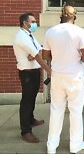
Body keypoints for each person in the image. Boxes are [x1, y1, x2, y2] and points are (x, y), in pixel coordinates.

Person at [43, 6, 84, 153]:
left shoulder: (50, 31)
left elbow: (45, 56)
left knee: (56, 110)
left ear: (61, 16)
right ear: (74, 17)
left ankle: (51, 146)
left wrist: (58, 58)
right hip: (75, 76)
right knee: (75, 111)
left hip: (57, 76)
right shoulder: (79, 32)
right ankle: (75, 145)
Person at [13, 12, 52, 143]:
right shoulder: (21, 37)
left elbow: (38, 48)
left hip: (34, 71)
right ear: (25, 23)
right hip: (27, 73)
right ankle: (26, 131)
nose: (35, 24)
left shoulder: (30, 35)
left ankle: (30, 119)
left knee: (33, 97)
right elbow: (37, 55)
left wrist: (33, 54)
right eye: (33, 21)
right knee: (27, 100)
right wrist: (49, 71)